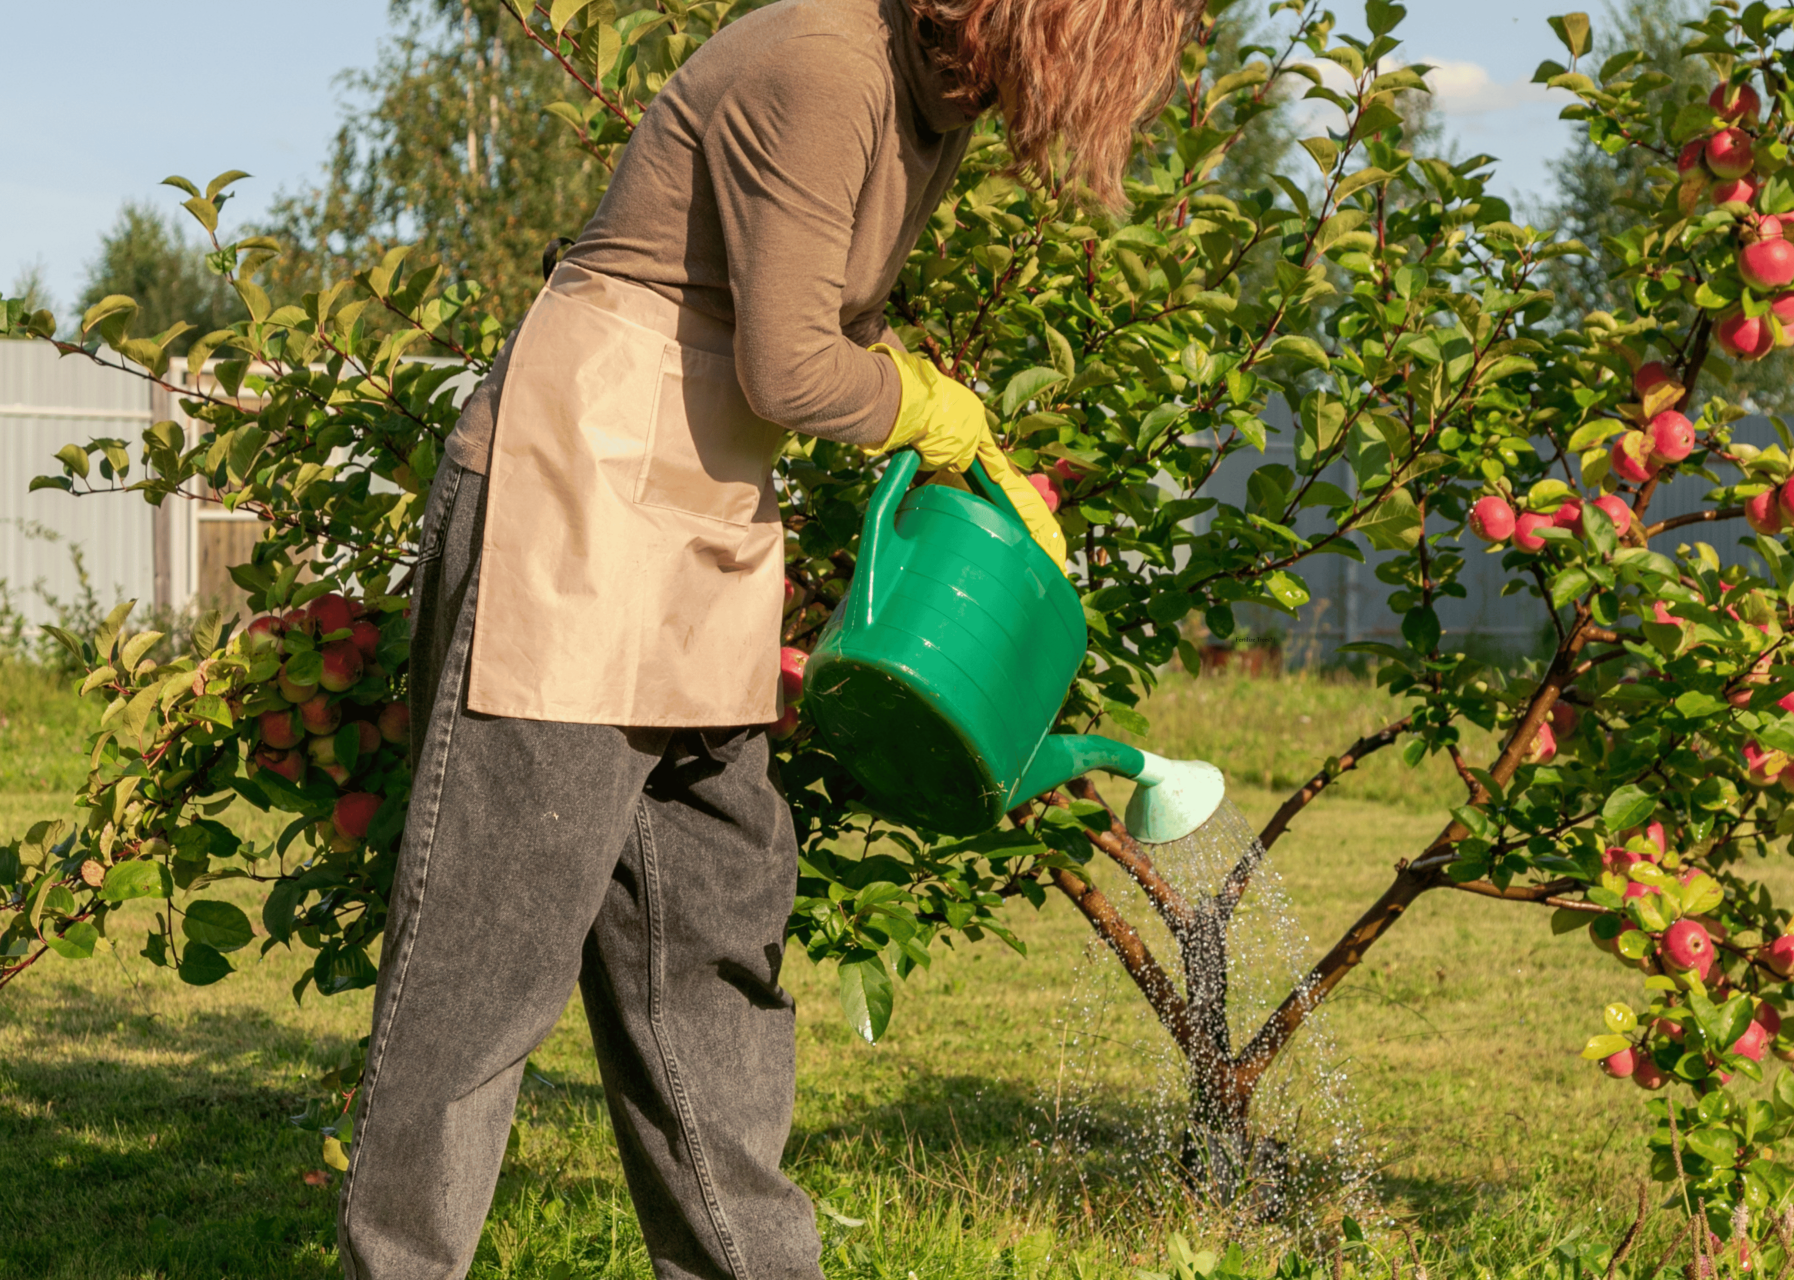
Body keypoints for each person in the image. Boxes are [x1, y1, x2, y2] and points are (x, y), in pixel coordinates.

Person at [336, 0, 1195, 1274]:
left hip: (702, 516)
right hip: (576, 498)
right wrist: (927, 409)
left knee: (712, 934)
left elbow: (824, 325)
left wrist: (963, 438)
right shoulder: (825, 60)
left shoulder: (928, 92)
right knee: (488, 957)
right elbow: (793, 372)